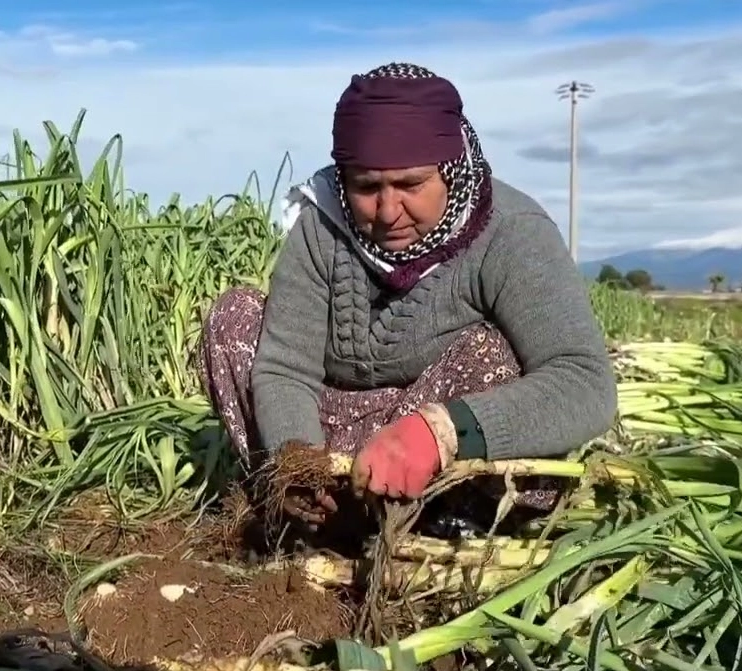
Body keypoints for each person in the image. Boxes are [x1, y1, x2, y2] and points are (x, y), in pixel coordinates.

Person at [197, 62, 617, 532]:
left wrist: (440, 433)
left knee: (490, 353)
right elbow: (285, 368)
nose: (388, 210)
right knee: (233, 319)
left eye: (411, 185)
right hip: (335, 447)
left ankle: (446, 526)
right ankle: (312, 514)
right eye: (366, 187)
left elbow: (585, 383)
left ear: (451, 171)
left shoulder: (512, 233)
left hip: (445, 461)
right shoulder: (321, 225)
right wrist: (298, 462)